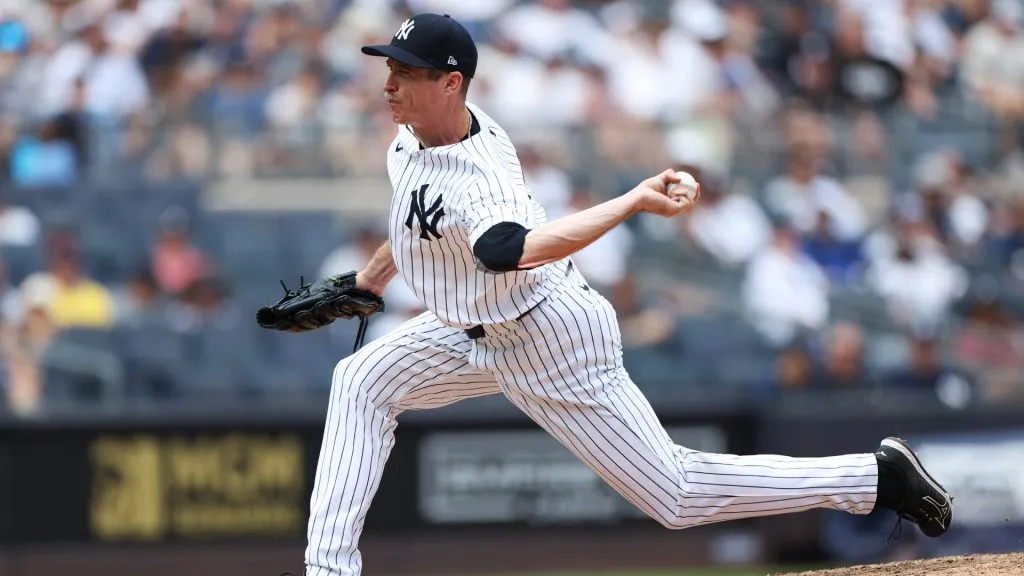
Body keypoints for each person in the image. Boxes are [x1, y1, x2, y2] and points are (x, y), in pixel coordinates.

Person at [304, 14, 953, 576]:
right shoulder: (410, 137)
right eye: (390, 66)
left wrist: (634, 200)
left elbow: (509, 250)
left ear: (451, 84)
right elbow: (417, 220)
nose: (389, 82)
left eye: (407, 73)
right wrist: (367, 283)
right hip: (463, 327)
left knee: (676, 497)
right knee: (361, 381)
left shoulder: (479, 174)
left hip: (544, 334)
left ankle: (875, 477)